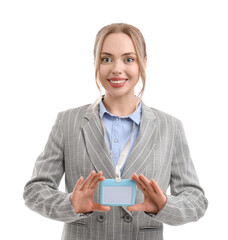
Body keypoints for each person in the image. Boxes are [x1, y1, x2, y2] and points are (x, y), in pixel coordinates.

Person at [23, 23, 208, 240]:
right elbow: (35, 190)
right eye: (106, 59)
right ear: (96, 63)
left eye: (128, 59)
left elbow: (196, 200)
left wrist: (165, 205)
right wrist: (70, 203)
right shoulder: (68, 122)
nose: (116, 69)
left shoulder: (170, 127)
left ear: (143, 63)